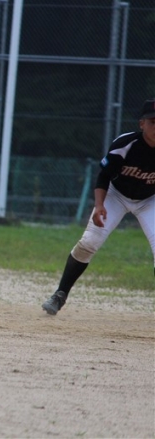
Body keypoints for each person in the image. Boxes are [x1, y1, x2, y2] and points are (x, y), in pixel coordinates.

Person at [42, 98, 155, 315]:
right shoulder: (125, 145)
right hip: (116, 195)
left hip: (149, 200)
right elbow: (104, 176)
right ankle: (60, 295)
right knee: (89, 242)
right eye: (153, 122)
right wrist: (100, 205)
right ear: (142, 124)